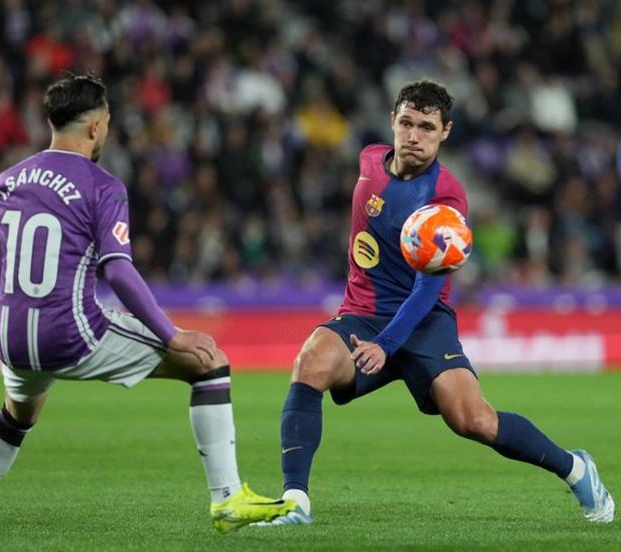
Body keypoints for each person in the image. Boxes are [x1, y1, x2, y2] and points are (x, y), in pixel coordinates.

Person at [0, 74, 296, 535]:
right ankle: (226, 499)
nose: (106, 132)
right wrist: (173, 335)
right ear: (94, 128)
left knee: (18, 413)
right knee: (208, 362)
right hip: (69, 331)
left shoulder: (13, 175)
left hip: (10, 333)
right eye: (106, 123)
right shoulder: (102, 186)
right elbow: (119, 271)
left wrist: (1, 270)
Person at [257, 79, 614, 526]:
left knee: (473, 420)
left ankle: (576, 468)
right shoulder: (369, 159)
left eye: (426, 127)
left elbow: (428, 288)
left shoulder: (445, 197)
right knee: (310, 362)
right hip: (362, 315)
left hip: (424, 321)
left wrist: (387, 344)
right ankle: (296, 502)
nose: (413, 136)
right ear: (392, 121)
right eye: (406, 123)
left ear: (445, 131)